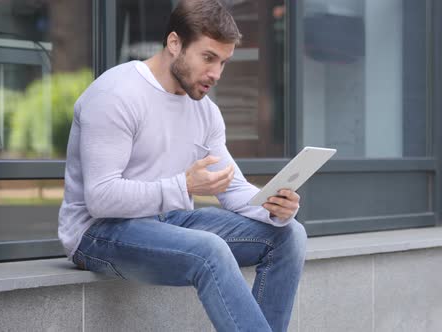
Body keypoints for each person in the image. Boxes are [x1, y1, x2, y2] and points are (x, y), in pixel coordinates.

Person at [57, 1, 306, 331]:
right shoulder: (116, 94)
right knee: (209, 249)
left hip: (167, 221)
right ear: (175, 43)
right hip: (97, 232)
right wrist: (184, 186)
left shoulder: (205, 110)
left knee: (289, 236)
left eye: (223, 62)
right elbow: (101, 198)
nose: (216, 73)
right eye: (208, 57)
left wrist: (273, 206)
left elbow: (232, 188)